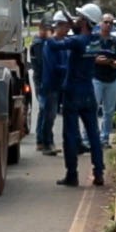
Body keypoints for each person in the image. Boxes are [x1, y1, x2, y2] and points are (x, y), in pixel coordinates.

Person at [45, 3, 106, 186]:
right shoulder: (95, 40)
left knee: (70, 135)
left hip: (73, 91)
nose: (76, 20)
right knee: (93, 134)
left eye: (80, 18)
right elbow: (82, 36)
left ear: (86, 22)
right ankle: (99, 172)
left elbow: (54, 45)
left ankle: (72, 174)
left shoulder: (78, 41)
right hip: (88, 90)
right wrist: (75, 25)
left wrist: (48, 32)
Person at [38, 12, 72, 156]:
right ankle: (46, 143)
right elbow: (53, 67)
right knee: (49, 115)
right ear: (58, 26)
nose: (66, 30)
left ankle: (48, 141)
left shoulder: (62, 44)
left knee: (51, 114)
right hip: (50, 84)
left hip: (58, 85)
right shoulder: (50, 45)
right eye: (64, 26)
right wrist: (69, 68)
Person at [90, 13, 116, 148]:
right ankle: (90, 137)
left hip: (112, 78)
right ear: (100, 23)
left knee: (109, 111)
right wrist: (98, 60)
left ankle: (105, 137)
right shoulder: (95, 40)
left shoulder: (115, 42)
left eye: (111, 23)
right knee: (93, 107)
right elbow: (90, 57)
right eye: (106, 22)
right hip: (97, 77)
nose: (108, 25)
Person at [30, 18, 58, 156]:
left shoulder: (45, 43)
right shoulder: (39, 44)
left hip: (48, 80)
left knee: (45, 111)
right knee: (47, 111)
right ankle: (44, 141)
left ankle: (42, 140)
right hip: (42, 81)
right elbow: (44, 62)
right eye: (47, 30)